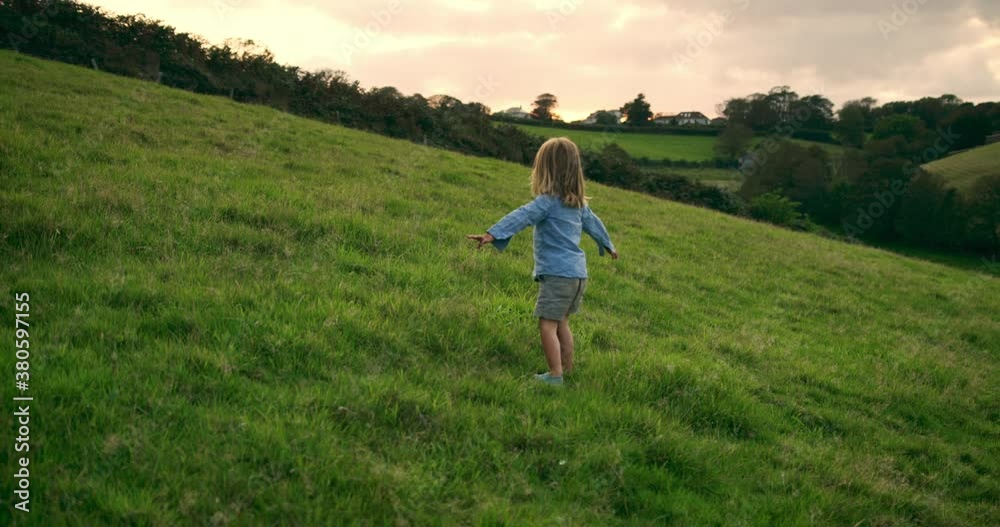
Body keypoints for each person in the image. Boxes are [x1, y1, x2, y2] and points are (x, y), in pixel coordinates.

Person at [467, 137, 618, 386]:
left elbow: (522, 216)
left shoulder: (547, 203)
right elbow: (594, 224)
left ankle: (555, 375)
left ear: (544, 169)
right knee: (562, 323)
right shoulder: (579, 204)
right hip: (578, 276)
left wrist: (492, 234)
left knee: (547, 325)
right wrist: (608, 244)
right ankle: (567, 370)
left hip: (558, 275)